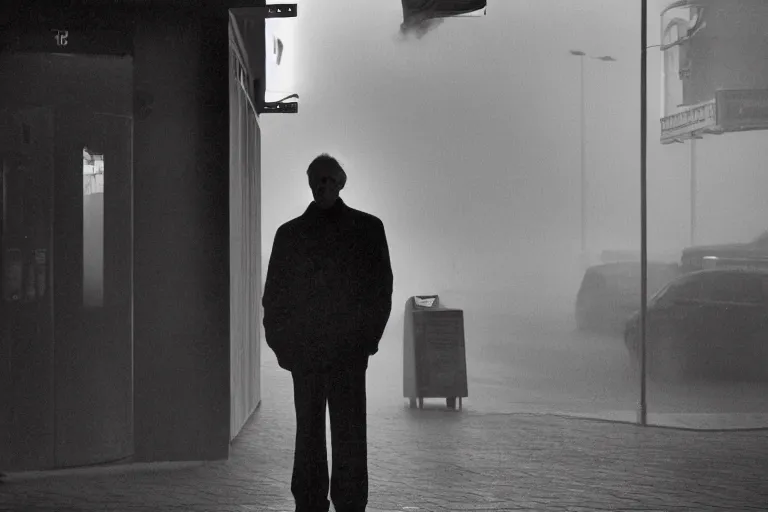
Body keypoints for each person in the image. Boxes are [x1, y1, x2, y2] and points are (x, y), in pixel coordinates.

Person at [262, 154, 393, 512]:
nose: (324, 187)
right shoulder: (364, 229)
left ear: (340, 183)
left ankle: (321, 502)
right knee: (327, 434)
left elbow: (380, 291)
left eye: (329, 180)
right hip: (326, 352)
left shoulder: (294, 234)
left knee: (321, 433)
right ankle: (326, 501)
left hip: (332, 352)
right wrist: (283, 345)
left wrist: (366, 339)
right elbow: (275, 296)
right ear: (312, 183)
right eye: (319, 180)